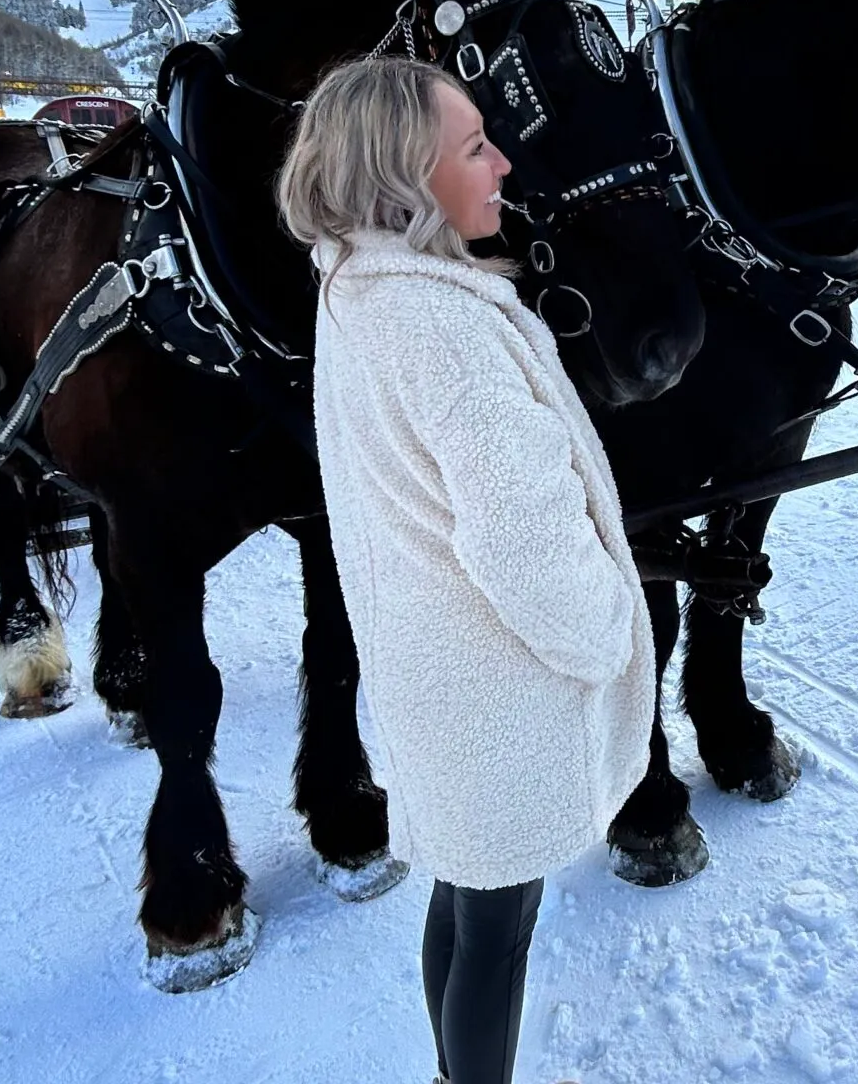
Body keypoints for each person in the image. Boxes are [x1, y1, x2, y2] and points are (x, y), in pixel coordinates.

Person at [277, 57, 656, 1084]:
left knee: (464, 894)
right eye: (474, 145)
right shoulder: (444, 328)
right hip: (497, 693)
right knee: (499, 925)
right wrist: (611, 628)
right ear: (405, 173)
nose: (501, 164)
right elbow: (519, 541)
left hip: (433, 668)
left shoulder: (361, 286)